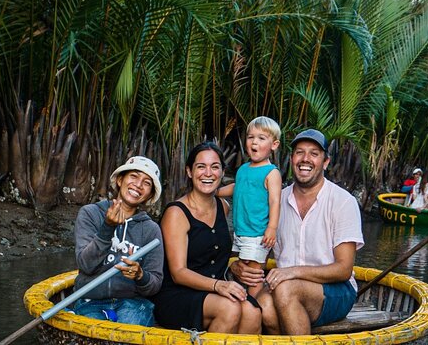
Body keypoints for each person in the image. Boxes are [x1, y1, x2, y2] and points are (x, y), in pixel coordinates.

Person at [230, 128, 364, 335]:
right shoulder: (276, 200)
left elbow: (343, 269)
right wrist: (240, 267)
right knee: (260, 307)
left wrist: (292, 272)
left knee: (286, 289)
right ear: (292, 159)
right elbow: (258, 244)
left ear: (325, 162)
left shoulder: (342, 201)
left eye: (314, 153)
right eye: (299, 152)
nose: (305, 159)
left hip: (336, 290)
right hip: (283, 285)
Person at [152, 142, 261, 334]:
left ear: (222, 172)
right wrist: (219, 285)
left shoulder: (223, 207)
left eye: (215, 167)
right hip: (179, 295)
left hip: (216, 291)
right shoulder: (176, 213)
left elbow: (213, 252)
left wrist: (232, 268)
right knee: (230, 308)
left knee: (252, 312)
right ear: (189, 171)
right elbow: (178, 272)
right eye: (201, 166)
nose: (208, 173)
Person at [72, 156, 164, 326]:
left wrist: (140, 275)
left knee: (128, 333)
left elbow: (155, 284)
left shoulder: (151, 230)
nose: (138, 185)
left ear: (150, 194)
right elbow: (86, 265)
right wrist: (107, 228)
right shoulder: (91, 214)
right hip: (90, 301)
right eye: (134, 176)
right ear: (120, 180)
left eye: (147, 183)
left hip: (132, 304)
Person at [217, 116, 282, 299]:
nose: (254, 142)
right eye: (251, 137)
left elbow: (275, 201)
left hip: (258, 234)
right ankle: (246, 303)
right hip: (241, 232)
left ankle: (256, 306)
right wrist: (216, 191)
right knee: (242, 269)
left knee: (253, 275)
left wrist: (272, 228)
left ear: (274, 145)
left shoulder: (272, 173)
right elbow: (237, 187)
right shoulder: (243, 169)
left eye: (261, 138)